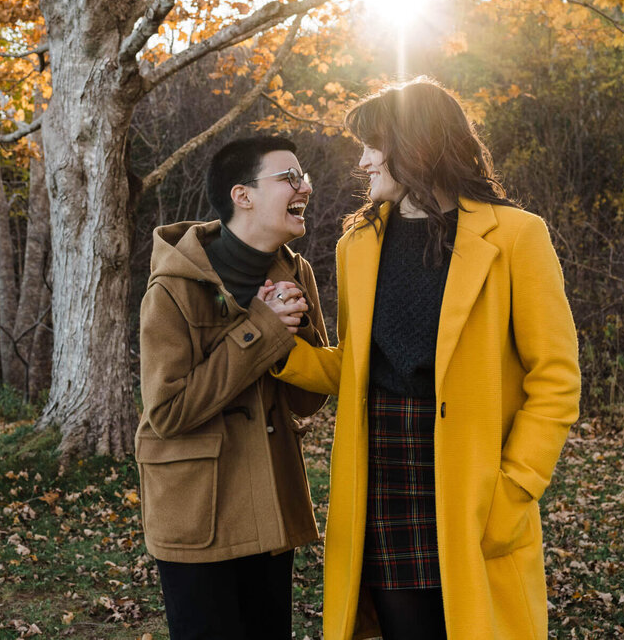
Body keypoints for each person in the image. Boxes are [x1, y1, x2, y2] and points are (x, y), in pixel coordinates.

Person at [271, 78, 581, 640]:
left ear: (415, 146)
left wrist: (514, 488)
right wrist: (277, 346)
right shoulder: (357, 244)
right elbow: (357, 367)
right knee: (401, 626)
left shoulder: (516, 236)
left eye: (373, 145)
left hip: (474, 479)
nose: (362, 161)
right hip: (382, 472)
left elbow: (556, 379)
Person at [135, 135, 328, 640]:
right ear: (243, 195)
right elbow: (169, 412)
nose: (304, 186)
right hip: (200, 511)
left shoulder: (296, 270)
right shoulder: (173, 286)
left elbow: (309, 399)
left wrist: (298, 328)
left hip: (269, 504)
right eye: (289, 177)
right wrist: (261, 330)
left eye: (302, 177)